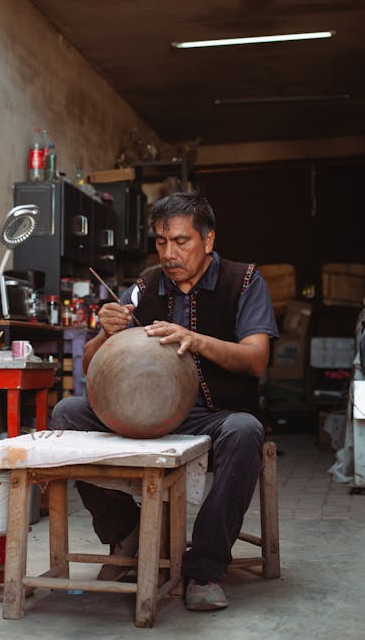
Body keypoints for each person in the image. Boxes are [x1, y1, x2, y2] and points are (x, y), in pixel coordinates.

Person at [51, 191, 278, 611]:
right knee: (66, 413)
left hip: (213, 417)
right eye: (161, 242)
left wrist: (196, 341)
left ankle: (205, 568)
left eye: (181, 241)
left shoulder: (243, 281)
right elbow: (91, 368)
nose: (169, 253)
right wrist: (104, 332)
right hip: (146, 415)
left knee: (246, 430)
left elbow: (256, 359)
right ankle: (131, 534)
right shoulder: (145, 285)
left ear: (208, 240)